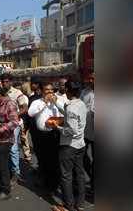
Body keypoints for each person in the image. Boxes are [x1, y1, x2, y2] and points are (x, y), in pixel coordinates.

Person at [51, 81, 87, 211]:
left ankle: (68, 205)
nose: (64, 91)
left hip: (69, 146)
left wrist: (57, 127)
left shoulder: (72, 107)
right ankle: (81, 203)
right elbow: (68, 114)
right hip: (80, 145)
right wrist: (56, 102)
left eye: (65, 89)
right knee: (79, 174)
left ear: (68, 90)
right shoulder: (80, 103)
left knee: (66, 176)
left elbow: (72, 130)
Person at [28, 82, 65, 194]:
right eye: (47, 90)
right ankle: (46, 182)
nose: (50, 93)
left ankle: (54, 185)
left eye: (51, 90)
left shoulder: (58, 100)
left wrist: (56, 103)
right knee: (43, 160)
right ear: (42, 91)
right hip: (41, 135)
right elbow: (30, 113)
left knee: (54, 161)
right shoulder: (37, 102)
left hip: (54, 134)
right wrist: (44, 102)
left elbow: (66, 112)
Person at [0, 73, 28, 185]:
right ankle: (6, 172)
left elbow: (25, 108)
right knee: (3, 147)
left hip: (14, 125)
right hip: (2, 124)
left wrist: (14, 115)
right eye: (3, 81)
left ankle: (16, 172)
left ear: (11, 82)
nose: (4, 83)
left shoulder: (17, 93)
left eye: (7, 81)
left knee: (13, 147)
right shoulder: (0, 92)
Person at [80, 73, 94, 195]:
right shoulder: (85, 92)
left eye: (93, 78)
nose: (90, 80)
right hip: (85, 130)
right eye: (89, 78)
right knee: (82, 156)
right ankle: (91, 175)